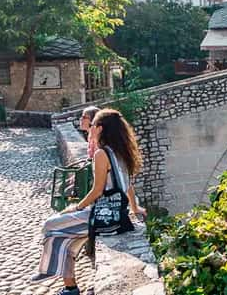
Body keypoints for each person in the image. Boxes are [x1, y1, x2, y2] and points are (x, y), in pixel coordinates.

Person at [31, 109, 147, 295]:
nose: (90, 129)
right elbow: (127, 185)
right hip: (119, 215)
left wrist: (75, 207)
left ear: (99, 129)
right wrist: (134, 207)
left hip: (103, 216)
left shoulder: (102, 154)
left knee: (50, 225)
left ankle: (57, 275)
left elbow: (97, 190)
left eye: (92, 125)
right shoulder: (121, 151)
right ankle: (69, 286)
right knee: (62, 237)